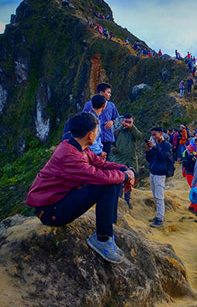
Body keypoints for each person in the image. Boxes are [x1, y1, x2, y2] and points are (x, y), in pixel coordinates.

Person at [26, 112, 135, 264]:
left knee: (113, 179)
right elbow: (99, 176)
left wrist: (126, 170)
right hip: (50, 211)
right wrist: (125, 177)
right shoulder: (69, 155)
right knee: (109, 182)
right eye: (97, 131)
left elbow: (101, 164)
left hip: (60, 201)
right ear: (90, 135)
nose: (98, 134)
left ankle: (107, 233)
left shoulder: (78, 147)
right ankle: (102, 238)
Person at [110, 114, 143, 208]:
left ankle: (128, 201)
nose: (127, 124)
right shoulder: (117, 132)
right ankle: (119, 200)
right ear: (122, 121)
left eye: (129, 122)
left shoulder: (132, 131)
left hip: (131, 159)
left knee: (130, 181)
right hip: (119, 160)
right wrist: (113, 149)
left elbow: (139, 137)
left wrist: (132, 127)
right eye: (126, 122)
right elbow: (111, 143)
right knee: (119, 180)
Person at [145, 127, 175, 228]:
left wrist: (154, 148)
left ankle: (160, 218)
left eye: (155, 134)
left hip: (160, 174)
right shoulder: (157, 145)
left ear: (161, 133)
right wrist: (148, 151)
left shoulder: (167, 145)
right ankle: (159, 214)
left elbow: (163, 158)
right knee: (155, 195)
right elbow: (150, 160)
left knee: (159, 196)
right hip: (153, 172)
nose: (153, 137)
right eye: (152, 135)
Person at [84, 83, 120, 159]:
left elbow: (117, 119)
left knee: (104, 161)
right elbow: (83, 119)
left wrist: (112, 122)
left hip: (107, 138)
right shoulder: (88, 105)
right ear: (101, 93)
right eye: (108, 92)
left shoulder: (111, 105)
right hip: (92, 139)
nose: (110, 95)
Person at [183, 139, 197, 214]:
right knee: (195, 191)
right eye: (196, 144)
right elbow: (185, 164)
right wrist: (193, 159)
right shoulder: (186, 152)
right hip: (190, 174)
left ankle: (192, 206)